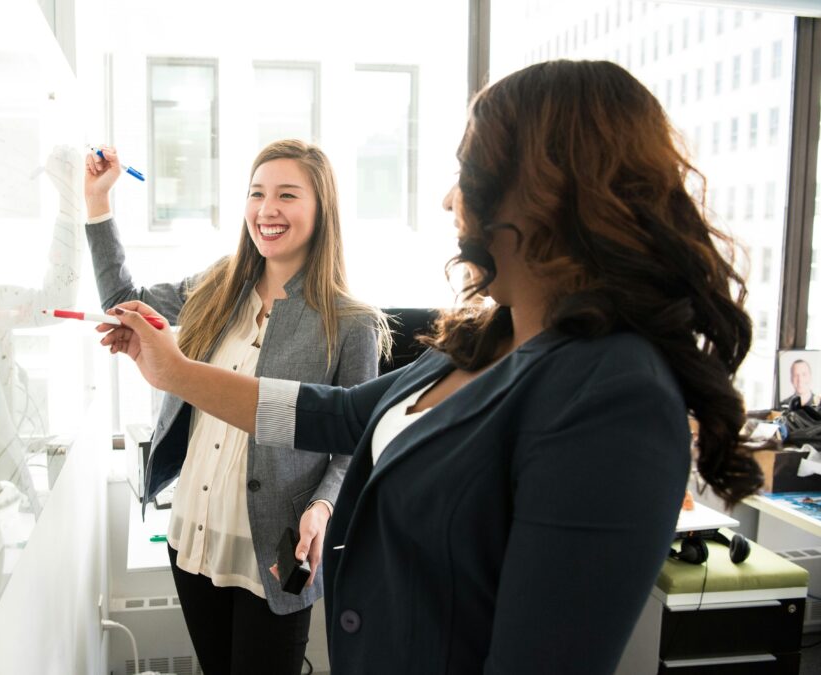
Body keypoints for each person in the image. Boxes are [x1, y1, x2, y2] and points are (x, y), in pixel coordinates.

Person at [96, 60, 763, 674]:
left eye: (467, 169)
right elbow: (341, 414)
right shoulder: (481, 341)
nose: (449, 199)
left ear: (543, 188)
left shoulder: (613, 393)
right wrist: (175, 372)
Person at [84, 139, 389, 675]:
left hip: (274, 549)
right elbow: (122, 302)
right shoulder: (216, 286)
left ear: (322, 210)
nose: (267, 209)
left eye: (287, 195)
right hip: (193, 535)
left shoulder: (351, 323)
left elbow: (354, 444)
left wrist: (323, 508)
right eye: (257, 193)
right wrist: (97, 202)